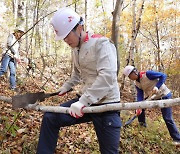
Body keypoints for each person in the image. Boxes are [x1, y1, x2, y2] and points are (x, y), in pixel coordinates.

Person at [36, 7, 121, 154]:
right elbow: (76, 74)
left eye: (67, 35)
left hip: (107, 106)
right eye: (63, 37)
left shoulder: (102, 44)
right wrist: (66, 86)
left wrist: (83, 101)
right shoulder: (76, 49)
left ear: (79, 27)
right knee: (51, 118)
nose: (65, 40)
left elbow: (107, 78)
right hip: (84, 101)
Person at [123, 65, 180, 145]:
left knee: (167, 118)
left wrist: (157, 86)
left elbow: (163, 75)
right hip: (153, 97)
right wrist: (139, 107)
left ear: (134, 72)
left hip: (164, 95)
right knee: (140, 108)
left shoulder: (148, 74)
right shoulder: (137, 84)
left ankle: (177, 139)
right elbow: (140, 95)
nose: (129, 78)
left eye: (129, 76)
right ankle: (142, 127)